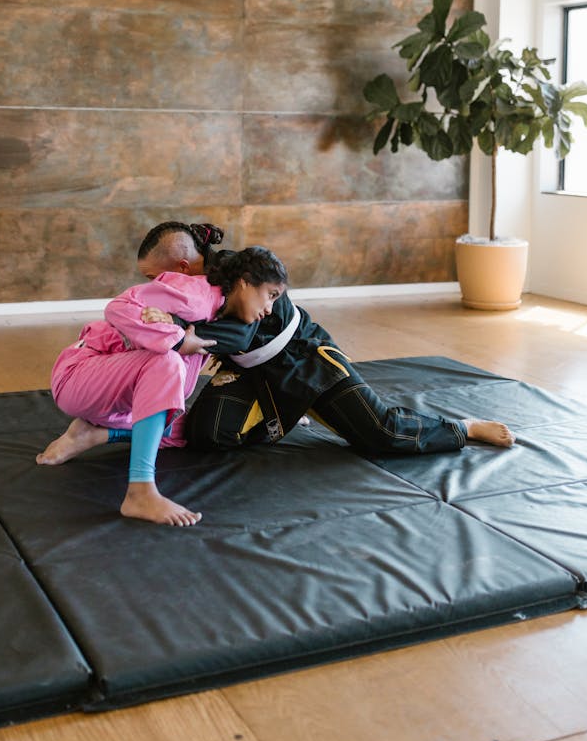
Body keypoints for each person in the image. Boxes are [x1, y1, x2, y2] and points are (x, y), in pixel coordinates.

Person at [136, 221, 516, 456]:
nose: (150, 286)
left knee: (380, 433)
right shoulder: (184, 290)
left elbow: (238, 332)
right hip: (253, 373)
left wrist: (180, 332)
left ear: (182, 266)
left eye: (153, 277)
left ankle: (463, 428)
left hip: (304, 360)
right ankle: (287, 413)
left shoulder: (238, 273)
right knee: (208, 434)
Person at [36, 246, 287, 526]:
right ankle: (140, 491)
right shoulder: (196, 296)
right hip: (78, 377)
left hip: (114, 399)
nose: (269, 309)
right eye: (271, 295)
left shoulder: (222, 315)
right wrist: (178, 341)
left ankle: (94, 434)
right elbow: (118, 307)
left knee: (186, 427)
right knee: (167, 362)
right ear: (245, 280)